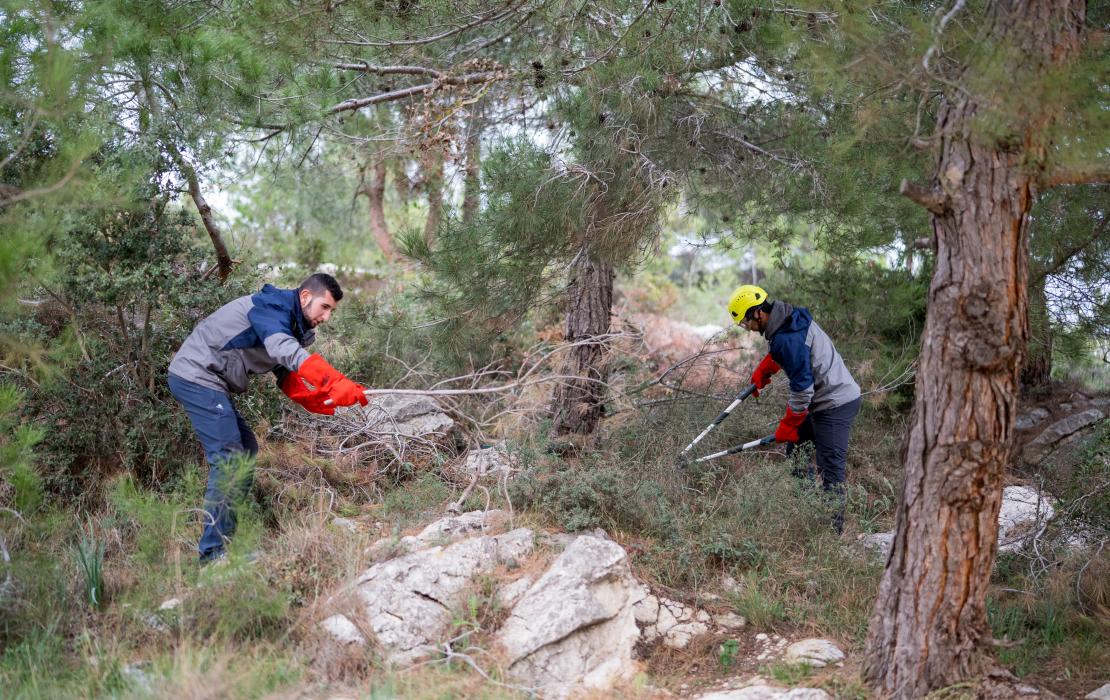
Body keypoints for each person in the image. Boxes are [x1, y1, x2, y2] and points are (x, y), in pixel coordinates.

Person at [167, 272, 368, 562]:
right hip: (196, 375)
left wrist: (308, 396)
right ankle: (212, 556)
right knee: (228, 459)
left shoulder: (296, 323)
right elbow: (280, 349)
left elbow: (281, 366)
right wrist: (333, 381)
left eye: (331, 311)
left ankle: (225, 546)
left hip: (210, 381)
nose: (326, 317)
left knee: (246, 451)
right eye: (325, 307)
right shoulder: (271, 307)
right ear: (305, 297)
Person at [727, 284, 861, 533]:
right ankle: (810, 509)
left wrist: (788, 425)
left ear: (758, 312)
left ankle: (832, 536)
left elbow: (802, 390)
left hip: (835, 403)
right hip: (823, 401)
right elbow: (795, 350)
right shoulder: (788, 318)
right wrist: (766, 367)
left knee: (830, 468)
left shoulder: (787, 337)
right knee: (796, 451)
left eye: (746, 321)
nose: (748, 327)